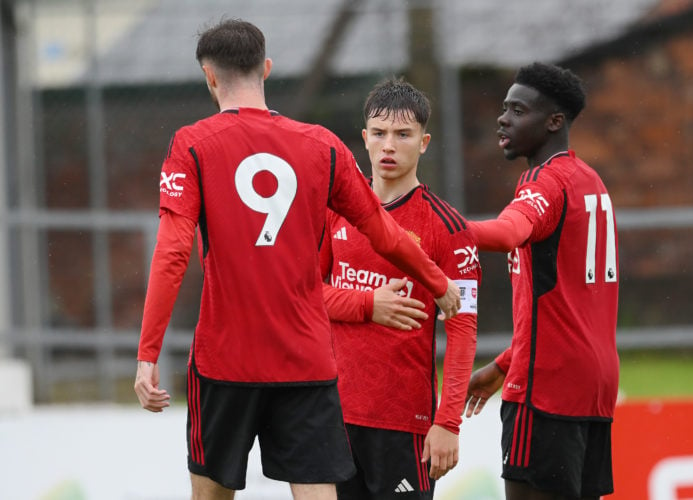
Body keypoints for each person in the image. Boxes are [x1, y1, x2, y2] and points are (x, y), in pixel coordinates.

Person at [132, 19, 461, 500]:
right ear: (266, 69)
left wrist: (147, 353)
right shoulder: (322, 145)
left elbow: (172, 253)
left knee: (209, 495)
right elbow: (384, 231)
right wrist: (437, 281)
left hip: (226, 360)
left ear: (209, 76)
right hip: (305, 359)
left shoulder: (191, 144)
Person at [463, 62, 619, 500]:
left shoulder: (544, 181)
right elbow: (566, 304)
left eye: (517, 110)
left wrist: (442, 228)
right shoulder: (590, 180)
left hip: (546, 388)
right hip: (593, 383)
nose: (503, 118)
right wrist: (503, 364)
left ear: (554, 122)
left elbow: (510, 231)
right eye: (504, 108)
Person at [319, 78, 480, 499]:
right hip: (330, 418)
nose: (389, 145)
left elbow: (462, 328)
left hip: (403, 424)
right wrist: (366, 304)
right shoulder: (332, 213)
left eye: (403, 134)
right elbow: (302, 295)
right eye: (379, 133)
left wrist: (447, 422)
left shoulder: (449, 229)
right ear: (364, 139)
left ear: (424, 142)